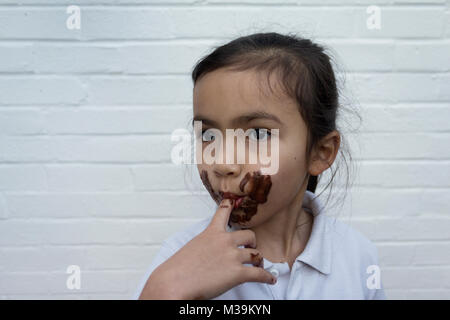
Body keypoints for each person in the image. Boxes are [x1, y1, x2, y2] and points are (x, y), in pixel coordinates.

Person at [134, 32, 386, 300]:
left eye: (257, 134)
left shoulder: (358, 256)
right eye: (209, 135)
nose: (223, 163)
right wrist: (163, 292)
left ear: (320, 153)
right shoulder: (178, 262)